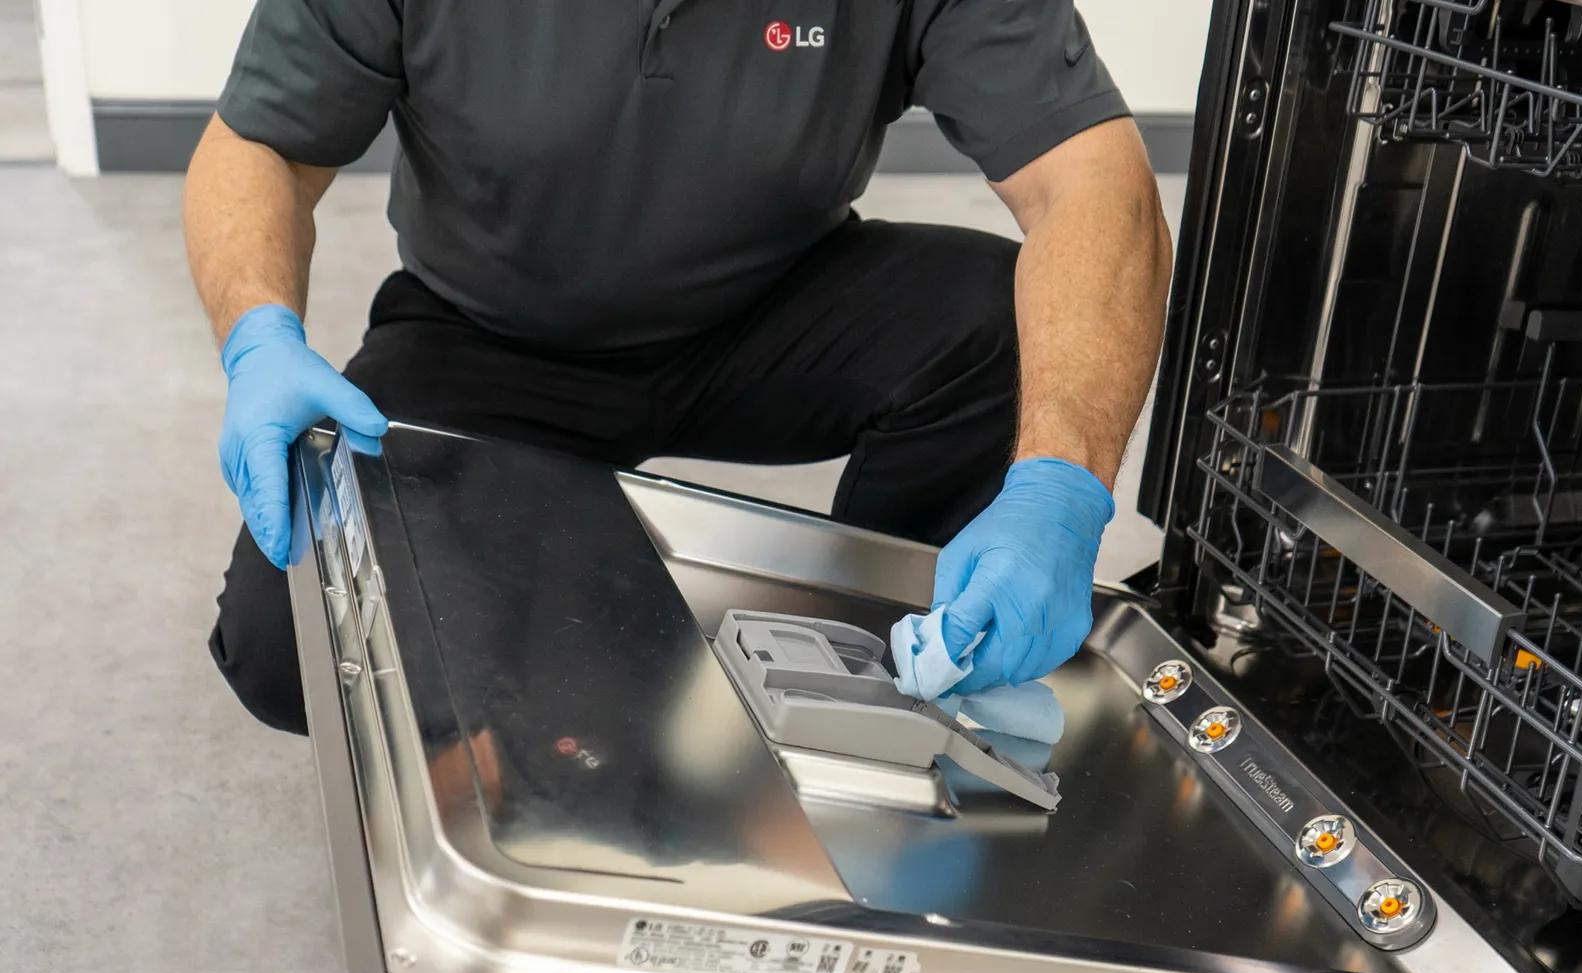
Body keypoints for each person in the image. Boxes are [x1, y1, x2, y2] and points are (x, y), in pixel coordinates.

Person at [186, 0, 1174, 735]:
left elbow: (1089, 177)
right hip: (489, 335)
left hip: (769, 310)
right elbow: (261, 144)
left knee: (991, 319)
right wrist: (259, 336)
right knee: (293, 654)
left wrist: (1061, 481)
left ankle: (910, 647)